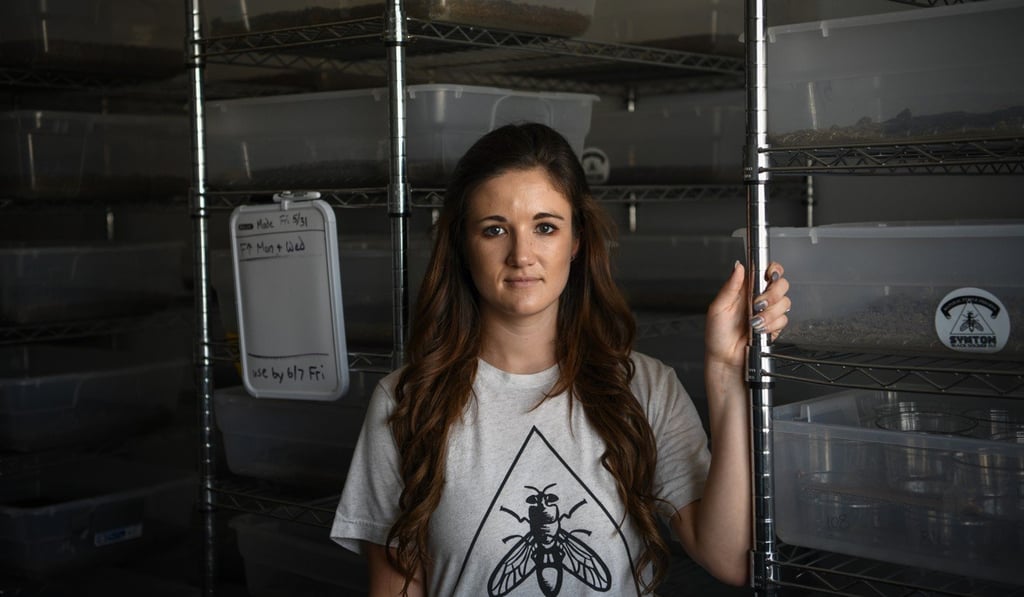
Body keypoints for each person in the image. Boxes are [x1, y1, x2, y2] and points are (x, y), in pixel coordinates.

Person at [331, 122, 790, 596]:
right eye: (494, 230)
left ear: (576, 242)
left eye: (545, 227)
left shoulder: (647, 387)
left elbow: (731, 558)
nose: (521, 255)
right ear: (463, 246)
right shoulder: (407, 402)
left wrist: (726, 369)